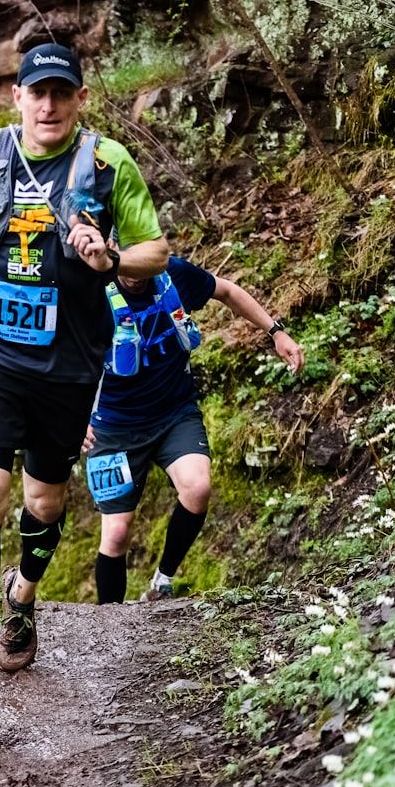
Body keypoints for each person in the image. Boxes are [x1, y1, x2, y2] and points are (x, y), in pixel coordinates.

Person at [0, 41, 170, 711]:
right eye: (38, 92)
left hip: (67, 364)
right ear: (18, 97)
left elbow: (158, 250)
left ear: (80, 99)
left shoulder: (104, 161)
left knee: (45, 503)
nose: (49, 104)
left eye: (62, 92)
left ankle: (23, 592)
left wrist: (112, 253)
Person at [84, 256, 304, 602]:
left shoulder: (173, 274)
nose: (138, 275)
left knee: (198, 488)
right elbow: (57, 351)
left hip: (174, 414)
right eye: (130, 265)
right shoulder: (88, 289)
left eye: (145, 264)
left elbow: (228, 291)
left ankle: (162, 581)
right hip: (113, 429)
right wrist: (70, 416)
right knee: (116, 534)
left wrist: (275, 332)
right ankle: (110, 627)